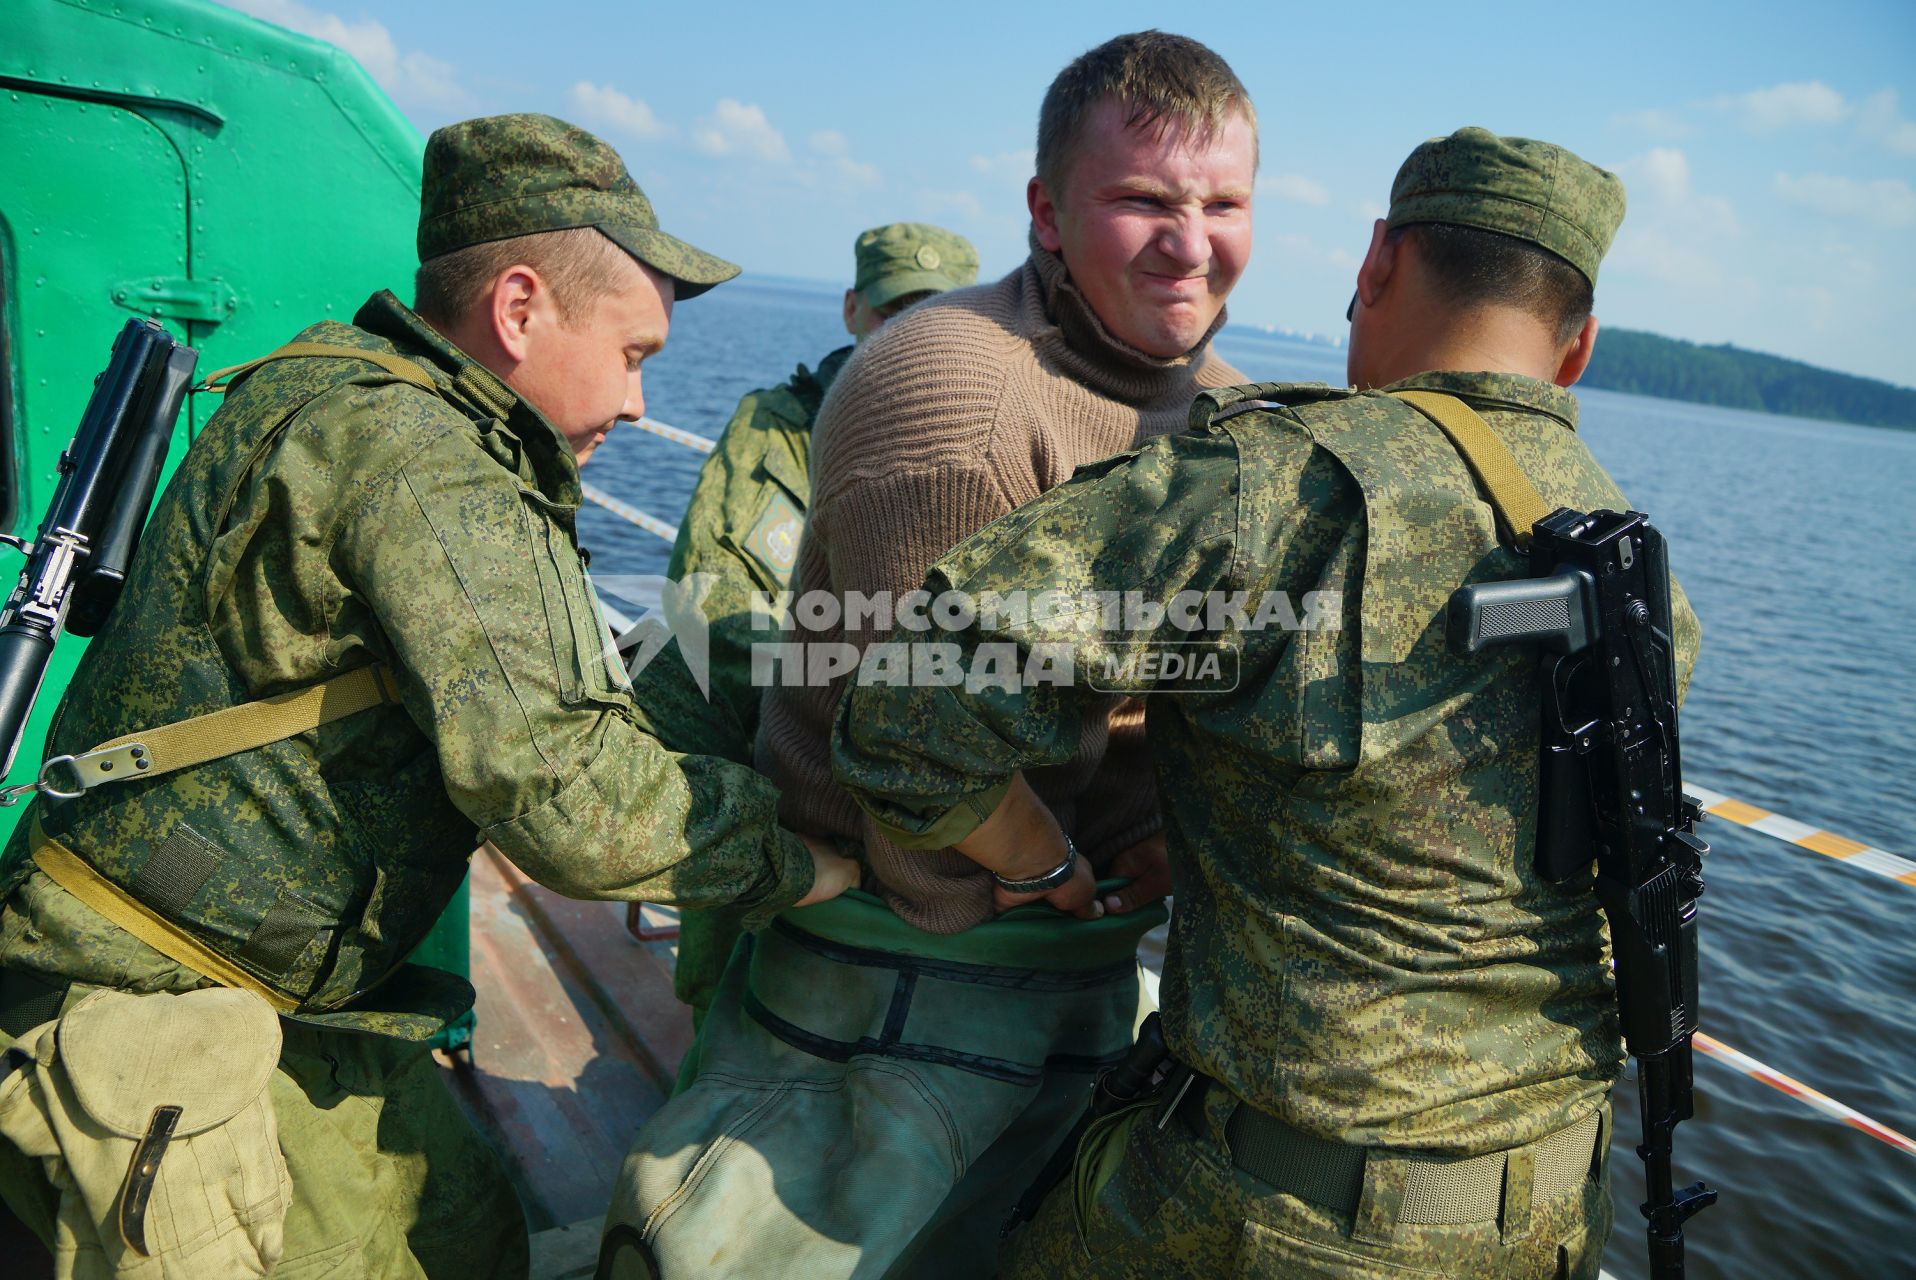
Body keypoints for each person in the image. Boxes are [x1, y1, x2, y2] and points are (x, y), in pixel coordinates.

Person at [830, 127, 1703, 1279]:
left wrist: (1040, 860)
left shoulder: (1268, 490)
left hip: (1277, 1216)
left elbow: (902, 712)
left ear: (1374, 265)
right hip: (1551, 1205)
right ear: (1577, 347)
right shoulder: (1631, 564)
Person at [0, 113, 855, 1280]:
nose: (643, 405)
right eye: (635, 353)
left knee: (463, 1234)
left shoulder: (330, 380)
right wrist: (814, 858)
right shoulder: (431, 463)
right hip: (155, 992)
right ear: (517, 309)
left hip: (275, 990)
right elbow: (571, 799)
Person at [600, 31, 1254, 1280]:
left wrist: (1166, 833)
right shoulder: (953, 394)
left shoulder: (1223, 406)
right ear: (1046, 213)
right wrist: (1055, 865)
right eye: (1141, 200)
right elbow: (906, 736)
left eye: (1222, 202)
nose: (1190, 241)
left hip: (1081, 960)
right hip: (899, 970)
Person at [642, 222, 978, 1036]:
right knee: (740, 1014)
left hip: (930, 803)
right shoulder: (777, 430)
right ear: (853, 309)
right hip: (784, 769)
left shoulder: (988, 443)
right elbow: (718, 614)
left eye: (938, 313)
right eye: (895, 307)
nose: (910, 331)